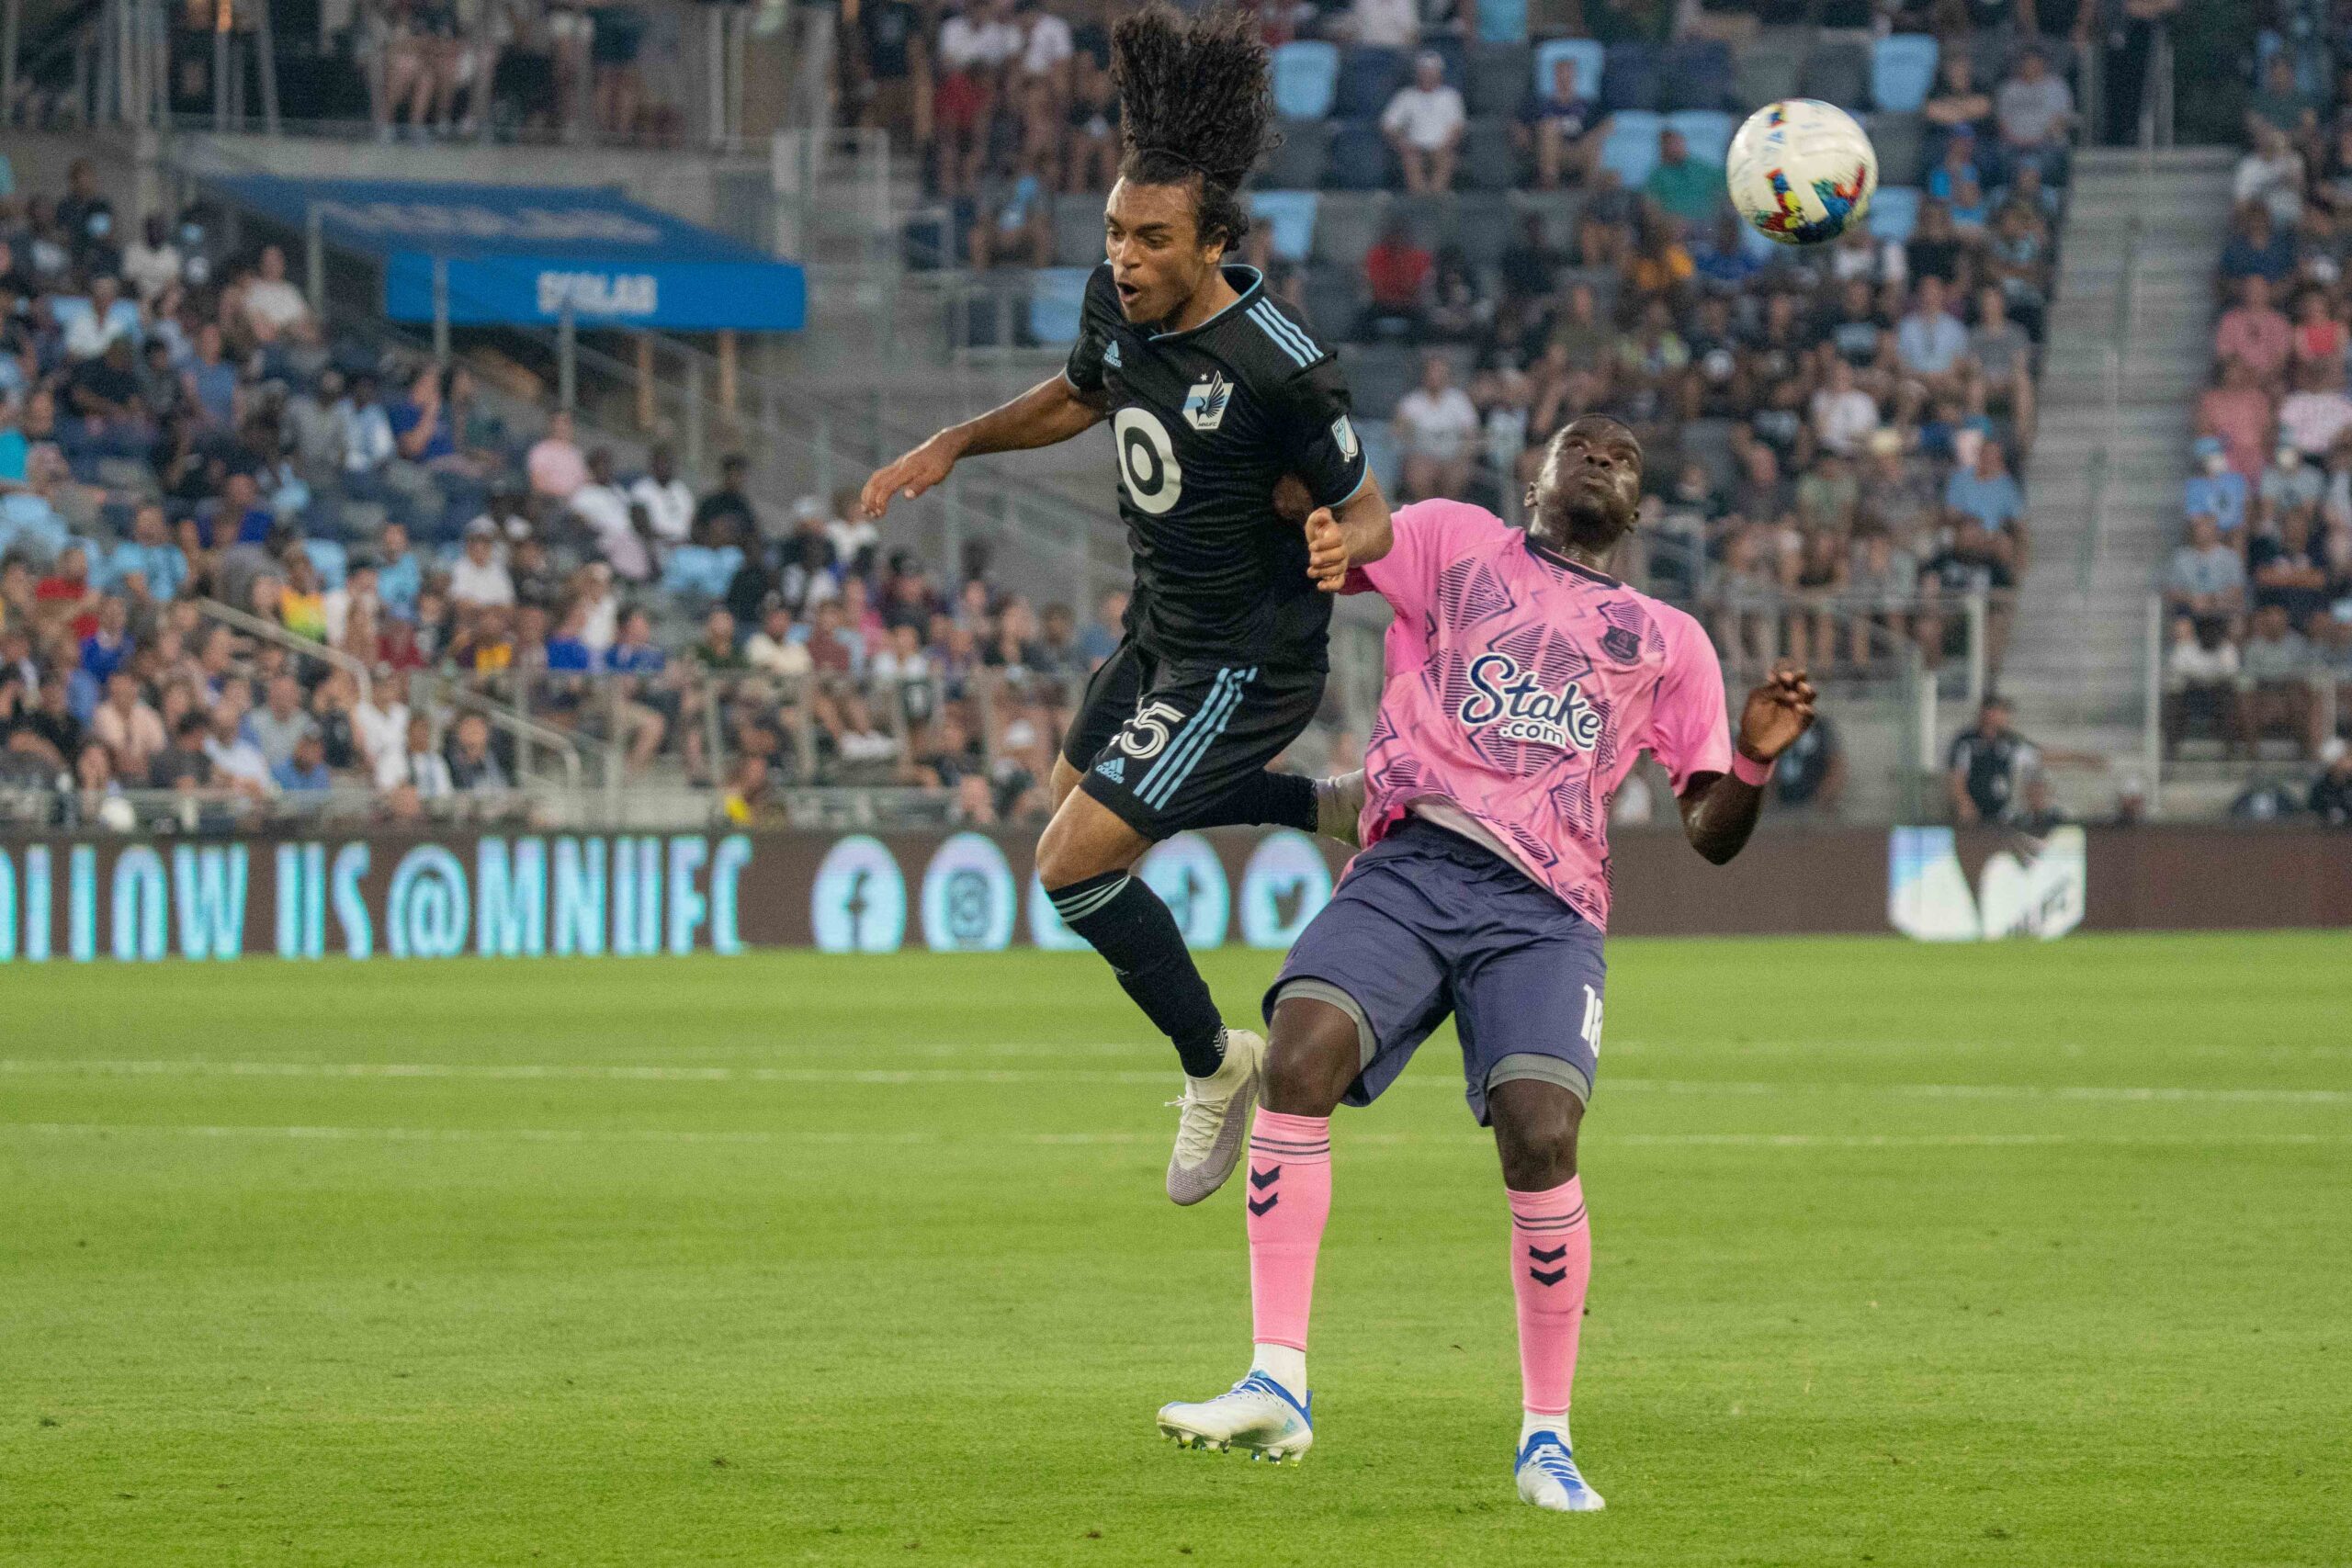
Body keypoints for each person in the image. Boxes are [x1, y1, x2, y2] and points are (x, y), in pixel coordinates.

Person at [1152, 416, 1817, 1513]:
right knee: (1297, 1055)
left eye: (1623, 453)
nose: (1603, 454)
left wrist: (1748, 758)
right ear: (1534, 479)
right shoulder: (1452, 543)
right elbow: (1345, 535)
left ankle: (1545, 1439)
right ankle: (1278, 1375)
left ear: (1638, 509)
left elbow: (1710, 831)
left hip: (1547, 909)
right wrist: (1298, 497)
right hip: (1412, 859)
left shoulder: (1667, 640)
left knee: (1542, 1135)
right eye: (1581, 444)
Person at [860, 4, 1393, 1207]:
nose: (1124, 257)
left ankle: (1219, 1064)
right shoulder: (1123, 309)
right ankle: (1326, 804)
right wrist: (957, 440)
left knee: (1072, 863)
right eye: (1113, 233)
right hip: (1159, 636)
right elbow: (1082, 392)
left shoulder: (1280, 362)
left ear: (1209, 246)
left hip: (1247, 662)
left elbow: (1371, 510)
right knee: (1073, 810)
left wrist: (1334, 534)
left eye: (1151, 239)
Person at [1381, 51, 1466, 196]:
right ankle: (1420, 201)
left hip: (1441, 146)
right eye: (1424, 71)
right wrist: (1403, 143)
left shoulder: (1450, 96)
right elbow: (1388, 125)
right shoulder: (1406, 96)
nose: (1428, 75)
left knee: (1447, 159)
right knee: (1411, 160)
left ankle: (1434, 198)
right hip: (1413, 147)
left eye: (1431, 71)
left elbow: (1457, 127)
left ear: (1439, 73)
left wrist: (1446, 145)